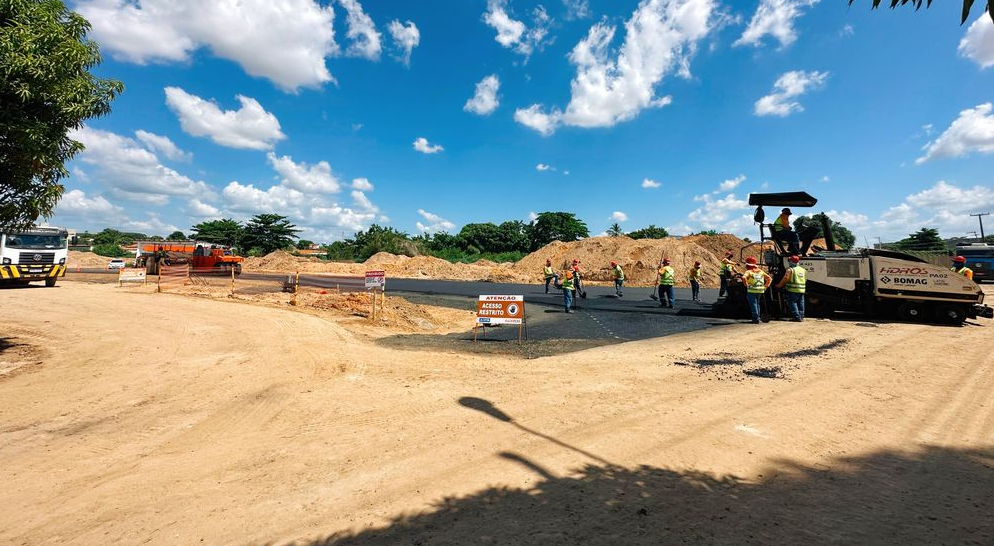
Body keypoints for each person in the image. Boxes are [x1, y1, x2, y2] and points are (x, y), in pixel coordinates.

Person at [741, 257, 772, 324]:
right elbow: (769, 278)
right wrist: (765, 286)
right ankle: (758, 317)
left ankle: (755, 319)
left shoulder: (748, 272)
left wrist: (746, 284)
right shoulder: (761, 271)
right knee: (757, 303)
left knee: (753, 304)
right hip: (760, 290)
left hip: (752, 290)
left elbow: (743, 277)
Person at [776, 255, 807, 322]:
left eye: (789, 260)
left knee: (792, 302)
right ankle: (801, 316)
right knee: (801, 303)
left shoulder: (790, 269)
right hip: (802, 290)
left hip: (792, 289)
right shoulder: (803, 270)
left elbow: (786, 278)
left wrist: (779, 285)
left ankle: (797, 317)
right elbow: (805, 280)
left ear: (791, 261)